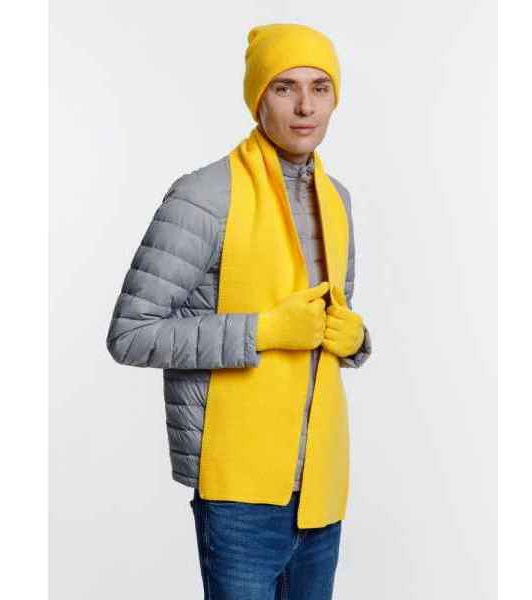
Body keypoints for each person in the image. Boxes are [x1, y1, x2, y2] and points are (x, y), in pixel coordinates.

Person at [106, 22, 372, 600]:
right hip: (238, 491)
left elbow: (329, 324)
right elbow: (131, 334)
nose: (305, 107)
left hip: (320, 486)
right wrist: (264, 331)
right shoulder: (204, 196)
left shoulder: (337, 200)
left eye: (321, 87)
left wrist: (355, 339)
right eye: (285, 87)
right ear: (258, 97)